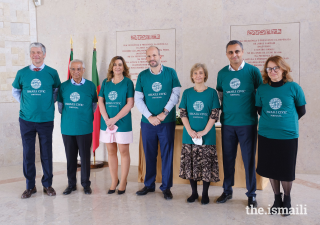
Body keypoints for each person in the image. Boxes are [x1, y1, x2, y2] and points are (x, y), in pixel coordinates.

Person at [255, 56, 306, 216]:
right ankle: (277, 198)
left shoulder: (293, 88)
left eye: (276, 68)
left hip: (287, 136)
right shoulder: (262, 89)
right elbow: (259, 109)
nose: (272, 71)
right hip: (266, 135)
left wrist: (285, 121)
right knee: (271, 169)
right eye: (269, 68)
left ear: (283, 69)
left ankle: (287, 199)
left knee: (285, 170)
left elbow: (301, 110)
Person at [216, 40, 262, 207]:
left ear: (242, 52)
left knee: (249, 159)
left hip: (247, 123)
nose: (234, 55)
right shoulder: (222, 73)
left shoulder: (253, 71)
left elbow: (259, 95)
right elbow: (221, 96)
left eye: (237, 51)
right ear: (227, 54)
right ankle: (227, 191)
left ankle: (251, 194)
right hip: (228, 123)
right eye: (230, 52)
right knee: (228, 159)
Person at [12, 42, 61, 199]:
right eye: (33, 52)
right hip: (26, 120)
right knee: (28, 153)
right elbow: (16, 91)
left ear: (44, 54)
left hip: (46, 119)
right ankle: (30, 186)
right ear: (30, 54)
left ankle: (47, 184)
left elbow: (57, 92)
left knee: (46, 153)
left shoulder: (52, 73)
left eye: (39, 52)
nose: (36, 55)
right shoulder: (22, 73)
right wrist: (26, 105)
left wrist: (47, 103)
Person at [135, 46, 181, 200]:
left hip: (166, 121)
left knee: (167, 154)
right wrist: (150, 117)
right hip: (148, 123)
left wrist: (163, 114)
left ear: (160, 56)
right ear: (146, 58)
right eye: (148, 56)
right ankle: (149, 184)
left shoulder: (171, 73)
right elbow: (138, 99)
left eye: (154, 55)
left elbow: (176, 95)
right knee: (149, 154)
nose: (151, 58)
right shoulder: (142, 76)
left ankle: (166, 187)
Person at [179, 63, 220, 205]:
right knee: (191, 165)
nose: (198, 76)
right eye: (195, 73)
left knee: (206, 166)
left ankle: (205, 194)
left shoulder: (212, 93)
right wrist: (190, 130)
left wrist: (203, 132)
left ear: (205, 75)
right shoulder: (187, 93)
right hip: (189, 136)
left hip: (207, 136)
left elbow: (214, 114)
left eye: (201, 73)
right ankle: (194, 193)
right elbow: (183, 113)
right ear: (192, 76)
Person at [57, 59, 98, 195]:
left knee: (85, 157)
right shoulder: (63, 86)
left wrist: (83, 115)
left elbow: (93, 105)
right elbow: (61, 107)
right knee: (70, 157)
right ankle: (71, 184)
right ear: (70, 70)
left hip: (85, 127)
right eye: (73, 69)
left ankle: (86, 184)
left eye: (79, 69)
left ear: (83, 70)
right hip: (68, 128)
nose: (76, 72)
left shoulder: (91, 86)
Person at [98, 56, 134, 195]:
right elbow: (101, 102)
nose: (117, 67)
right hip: (107, 123)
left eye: (120, 64)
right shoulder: (106, 83)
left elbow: (130, 104)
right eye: (115, 64)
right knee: (111, 152)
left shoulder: (128, 83)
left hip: (122, 123)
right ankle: (114, 180)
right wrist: (107, 118)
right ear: (111, 67)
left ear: (124, 67)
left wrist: (115, 119)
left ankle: (123, 181)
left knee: (123, 152)